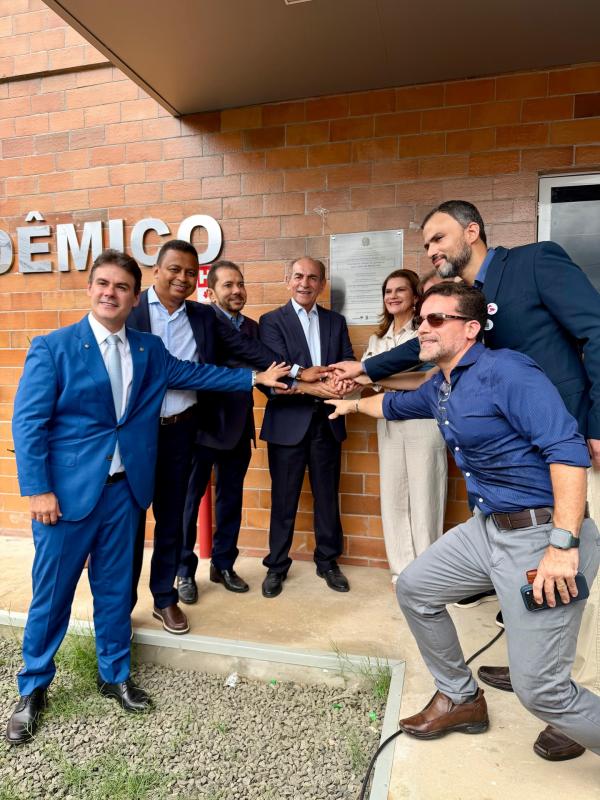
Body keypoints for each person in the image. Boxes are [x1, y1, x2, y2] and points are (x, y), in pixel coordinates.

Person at [331, 199, 600, 760]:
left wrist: (564, 540)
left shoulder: (522, 307)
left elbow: (591, 348)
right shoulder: (448, 373)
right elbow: (403, 393)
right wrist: (354, 395)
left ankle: (564, 701)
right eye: (425, 242)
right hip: (494, 517)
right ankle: (462, 696)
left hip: (553, 494)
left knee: (546, 681)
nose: (432, 248)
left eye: (439, 237)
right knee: (416, 588)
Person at [6, 250, 288, 745]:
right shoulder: (54, 347)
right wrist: (37, 490)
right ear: (91, 289)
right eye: (102, 284)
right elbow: (28, 424)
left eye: (120, 287)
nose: (110, 293)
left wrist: (253, 377)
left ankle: (113, 673)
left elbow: (195, 374)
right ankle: (33, 688)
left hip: (124, 493)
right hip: (66, 497)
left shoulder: (147, 348)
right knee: (53, 593)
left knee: (116, 589)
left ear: (135, 296)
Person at [126, 241, 287, 633]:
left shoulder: (202, 316)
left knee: (170, 520)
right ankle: (120, 607)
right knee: (127, 522)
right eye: (173, 269)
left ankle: (164, 598)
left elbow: (245, 348)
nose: (181, 278)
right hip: (134, 434)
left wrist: (296, 373)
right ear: (156, 271)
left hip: (181, 430)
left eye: (188, 272)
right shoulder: (129, 312)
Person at [258, 257, 353, 598]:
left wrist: (342, 385)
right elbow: (275, 374)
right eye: (298, 276)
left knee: (327, 497)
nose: (305, 283)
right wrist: (312, 382)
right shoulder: (270, 322)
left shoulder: (335, 322)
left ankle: (328, 561)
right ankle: (276, 566)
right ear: (288, 280)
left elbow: (345, 364)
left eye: (313, 278)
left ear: (321, 284)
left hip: (326, 422)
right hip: (287, 425)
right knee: (284, 499)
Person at [181, 260, 261, 600]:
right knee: (188, 501)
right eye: (228, 285)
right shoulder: (201, 320)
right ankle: (184, 571)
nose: (236, 291)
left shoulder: (254, 327)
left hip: (239, 426)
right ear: (211, 292)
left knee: (231, 499)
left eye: (240, 284)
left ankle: (223, 564)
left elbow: (263, 367)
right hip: (201, 427)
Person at [361, 269, 446, 581]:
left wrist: (377, 376)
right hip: (387, 420)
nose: (393, 296)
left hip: (423, 420)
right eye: (388, 291)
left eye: (400, 290)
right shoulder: (376, 339)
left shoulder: (425, 333)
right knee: (394, 497)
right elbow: (364, 382)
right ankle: (402, 571)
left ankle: (428, 573)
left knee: (426, 496)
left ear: (415, 298)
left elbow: (428, 380)